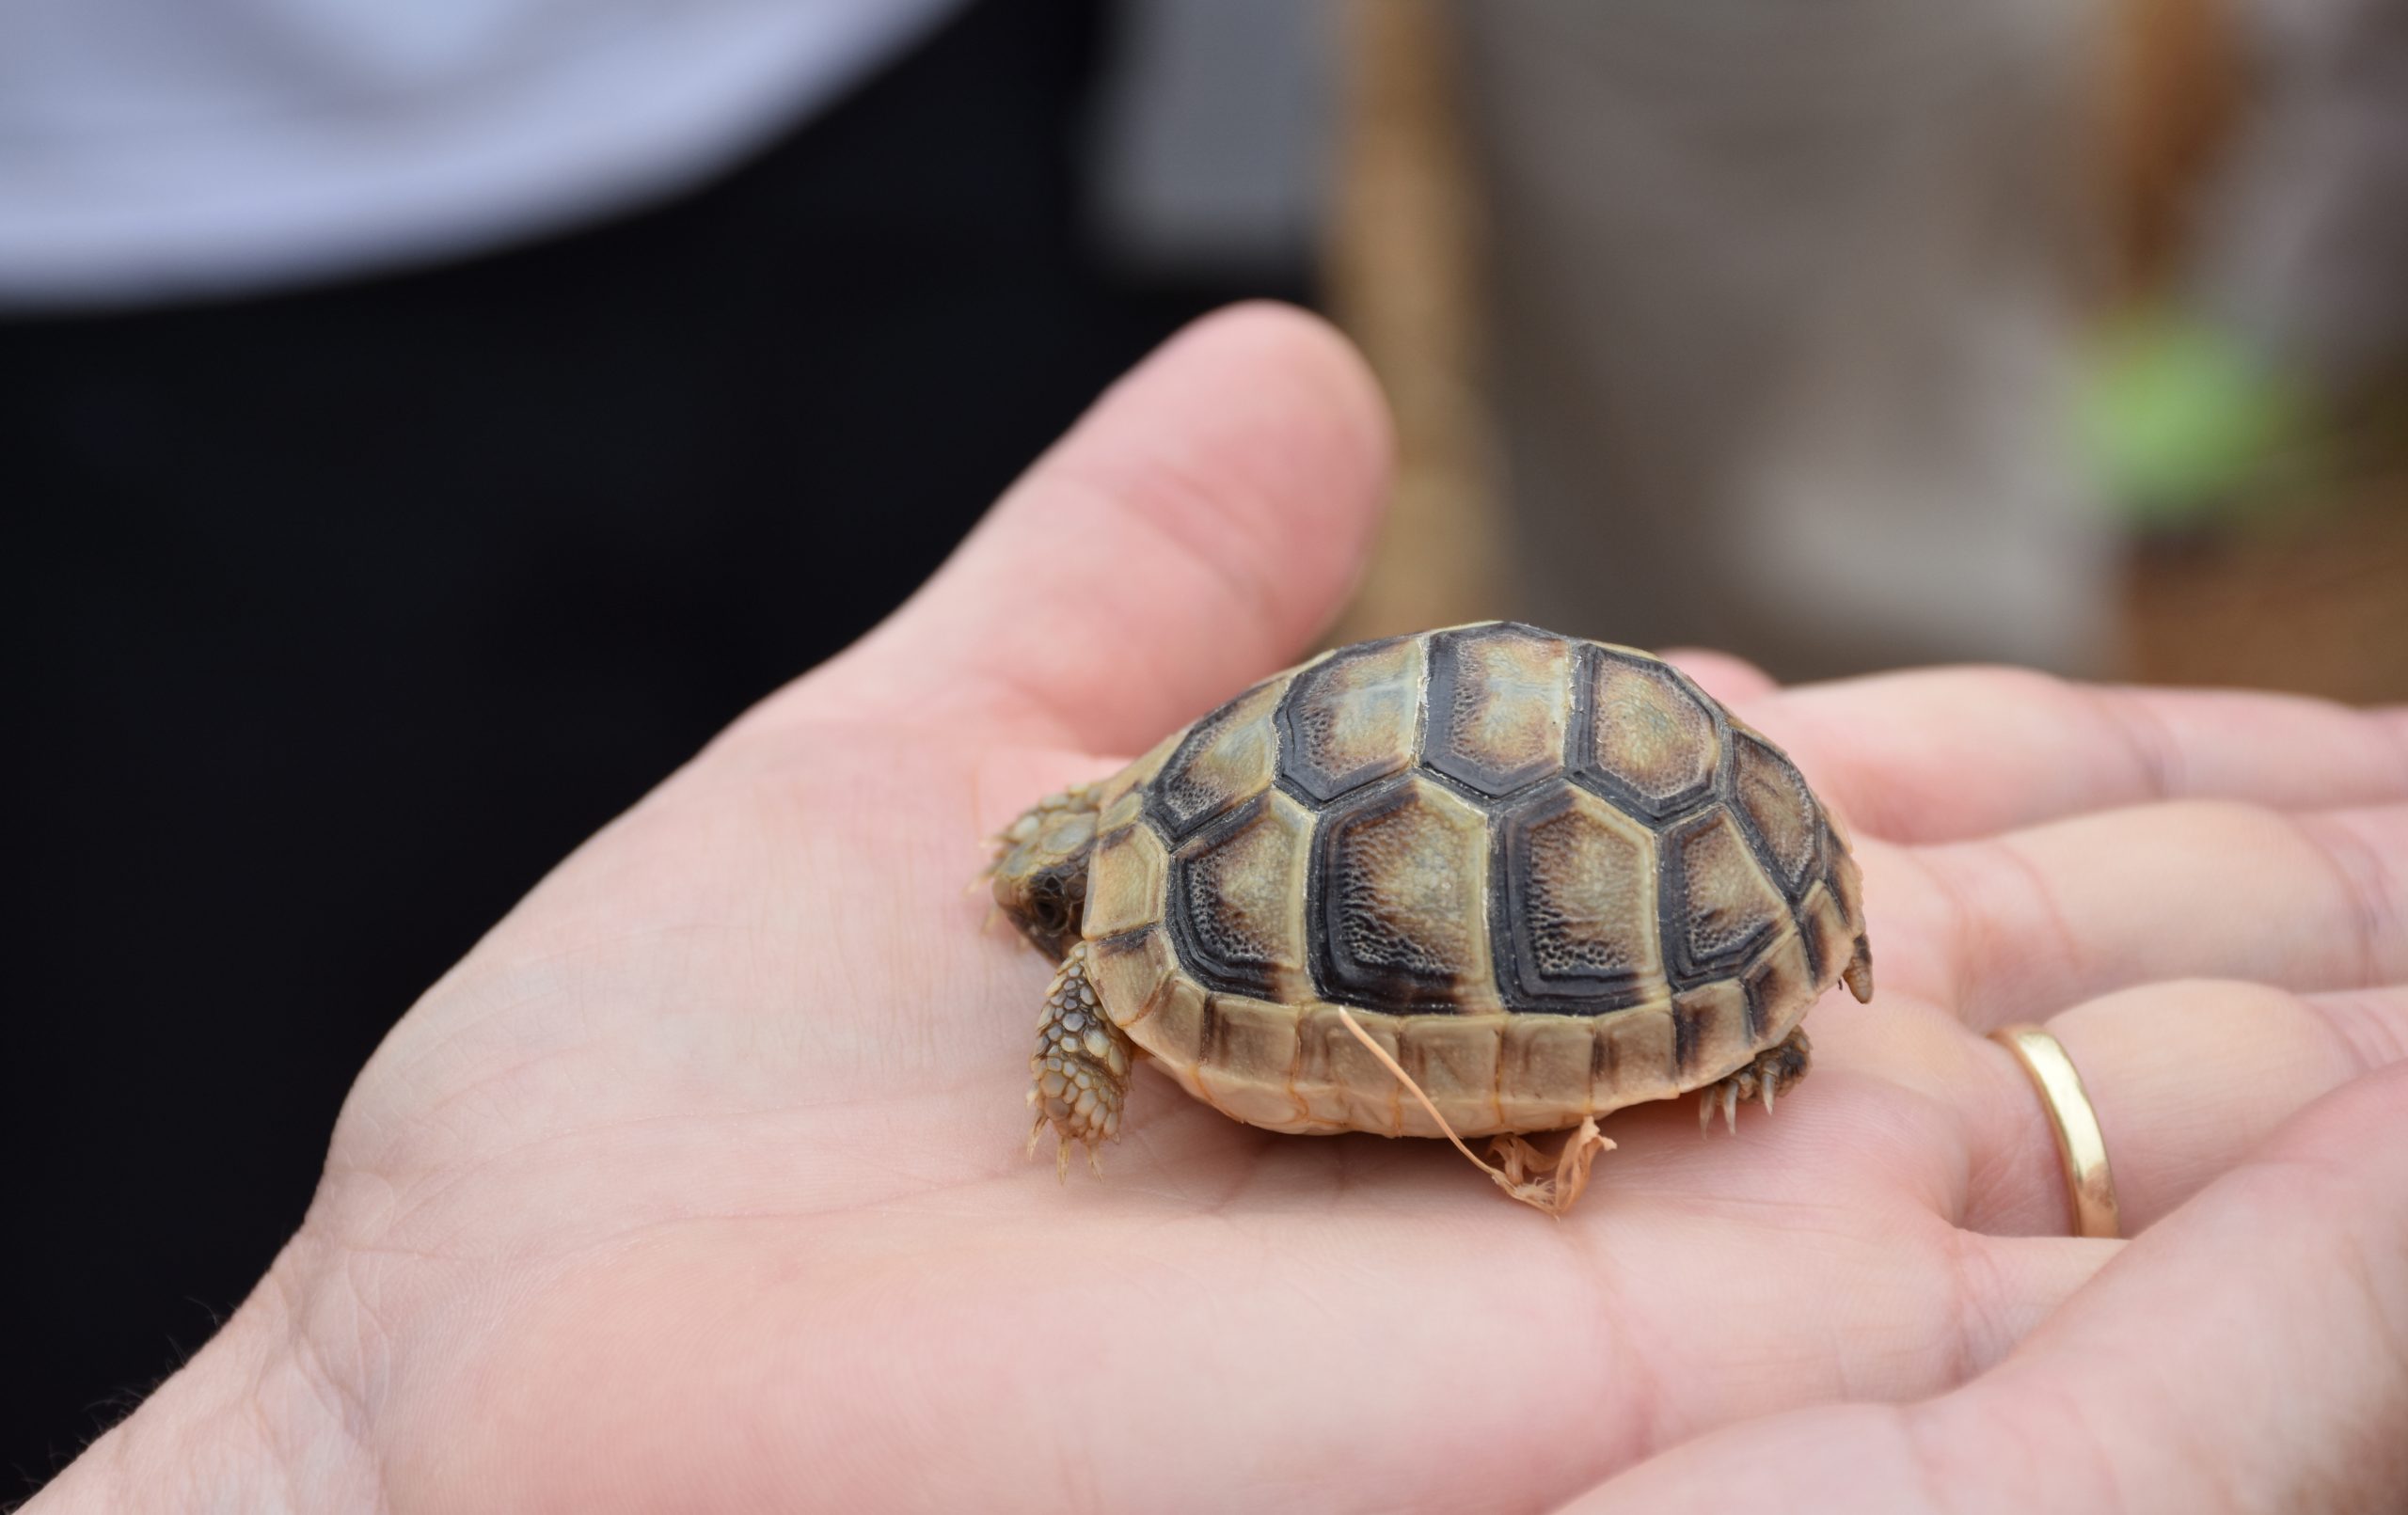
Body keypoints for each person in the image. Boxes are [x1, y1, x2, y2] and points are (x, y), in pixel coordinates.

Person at [27, 307, 2407, 1512]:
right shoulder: (1165, 822)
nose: (1035, 907)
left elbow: (1097, 971)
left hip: (1644, 873)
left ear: (1091, 881)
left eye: (1056, 898)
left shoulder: (1128, 964)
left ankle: (1743, 1017)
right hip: (1651, 810)